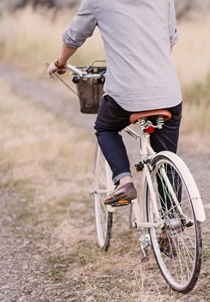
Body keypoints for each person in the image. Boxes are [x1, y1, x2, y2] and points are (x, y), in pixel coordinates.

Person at [46, 0, 182, 205]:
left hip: (125, 95)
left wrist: (60, 63)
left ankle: (124, 180)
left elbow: (73, 38)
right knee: (166, 158)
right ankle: (171, 223)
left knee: (105, 128)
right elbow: (170, 37)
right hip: (167, 91)